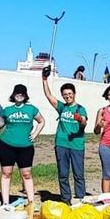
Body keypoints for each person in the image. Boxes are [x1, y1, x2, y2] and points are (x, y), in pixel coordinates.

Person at [41, 68, 87, 203]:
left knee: (78, 174)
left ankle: (80, 199)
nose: (67, 96)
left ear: (74, 94)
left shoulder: (80, 108)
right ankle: (66, 199)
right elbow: (49, 96)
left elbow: (84, 124)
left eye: (70, 94)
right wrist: (44, 79)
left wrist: (80, 120)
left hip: (77, 145)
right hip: (61, 144)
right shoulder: (62, 107)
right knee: (63, 174)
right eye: (65, 94)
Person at [0, 83, 45, 209]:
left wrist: (35, 134)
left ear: (25, 95)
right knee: (6, 173)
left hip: (26, 147)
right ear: (13, 94)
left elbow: (41, 121)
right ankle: (6, 203)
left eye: (22, 93)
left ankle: (31, 202)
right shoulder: (7, 110)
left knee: (27, 174)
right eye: (17, 93)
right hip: (7, 145)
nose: (19, 95)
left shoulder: (31, 109)